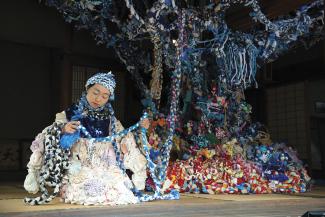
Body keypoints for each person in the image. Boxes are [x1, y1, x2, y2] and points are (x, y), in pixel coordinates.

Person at [24, 72, 149, 205]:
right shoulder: (70, 114)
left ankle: (138, 176)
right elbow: (50, 133)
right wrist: (63, 129)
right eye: (95, 92)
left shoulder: (111, 120)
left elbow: (123, 137)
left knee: (118, 192)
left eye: (104, 96)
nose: (98, 99)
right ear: (87, 88)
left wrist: (140, 128)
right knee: (83, 192)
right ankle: (33, 173)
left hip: (105, 165)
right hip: (79, 164)